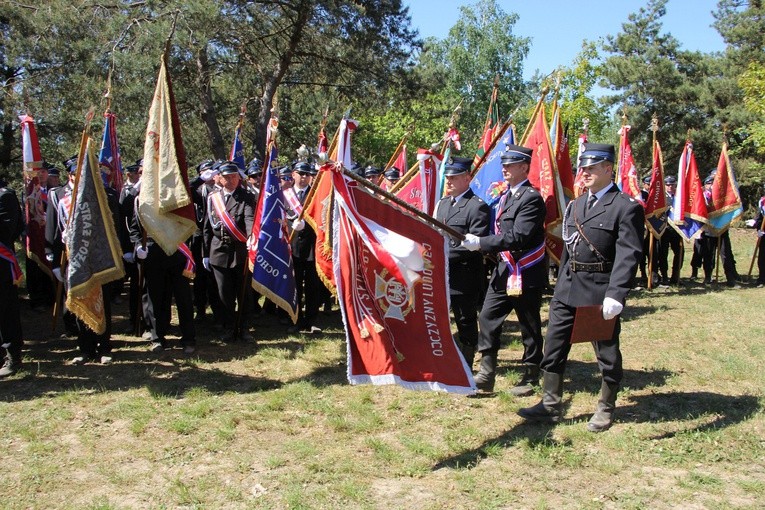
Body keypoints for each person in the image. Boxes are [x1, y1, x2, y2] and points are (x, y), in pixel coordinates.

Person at [518, 142, 644, 432]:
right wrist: (559, 285)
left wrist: (616, 293)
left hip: (599, 290)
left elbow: (628, 254)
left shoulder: (625, 207)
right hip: (568, 287)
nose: (584, 172)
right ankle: (550, 403)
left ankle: (606, 406)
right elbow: (569, 251)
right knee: (554, 345)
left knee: (606, 353)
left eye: (591, 167)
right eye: (582, 167)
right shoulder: (576, 204)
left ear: (608, 169)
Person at [462, 144, 547, 395]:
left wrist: (481, 243)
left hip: (526, 269)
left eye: (510, 165)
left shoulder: (531, 198)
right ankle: (486, 373)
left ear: (524, 167)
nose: (505, 169)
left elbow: (518, 236)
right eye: (504, 165)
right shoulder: (505, 197)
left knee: (528, 323)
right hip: (503, 270)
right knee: (487, 317)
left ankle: (532, 373)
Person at [435, 156, 490, 367]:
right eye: (448, 177)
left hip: (464, 274)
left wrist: (441, 255)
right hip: (441, 272)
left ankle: (466, 358)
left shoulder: (477, 207)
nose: (449, 181)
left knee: (465, 319)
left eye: (455, 177)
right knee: (439, 315)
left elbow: (474, 244)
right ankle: (445, 353)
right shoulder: (443, 204)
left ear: (467, 178)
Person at [203, 161, 255, 343]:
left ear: (238, 177)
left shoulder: (246, 197)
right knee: (224, 293)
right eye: (226, 177)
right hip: (218, 252)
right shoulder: (212, 198)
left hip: (240, 251)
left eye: (234, 176)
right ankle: (228, 327)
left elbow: (249, 219)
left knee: (243, 292)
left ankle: (244, 327)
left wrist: (250, 238)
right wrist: (205, 253)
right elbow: (207, 227)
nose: (231, 180)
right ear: (220, 178)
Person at [288, 161, 323, 334]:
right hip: (291, 247)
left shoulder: (315, 194)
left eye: (307, 174)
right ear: (293, 174)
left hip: (311, 247)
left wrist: (307, 226)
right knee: (294, 286)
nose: (304, 177)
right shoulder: (285, 194)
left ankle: (312, 320)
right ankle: (295, 319)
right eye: (301, 173)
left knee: (312, 287)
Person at [0, 177, 24, 377]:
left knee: (5, 311)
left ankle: (12, 356)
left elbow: (8, 231)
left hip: (1, 265)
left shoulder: (5, 195)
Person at [659, 175, 683, 285]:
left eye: (672, 185)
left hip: (678, 230)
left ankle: (676, 276)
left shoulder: (680, 197)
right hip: (665, 229)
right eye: (667, 185)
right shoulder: (661, 197)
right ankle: (664, 276)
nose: (670, 187)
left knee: (679, 253)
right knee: (663, 254)